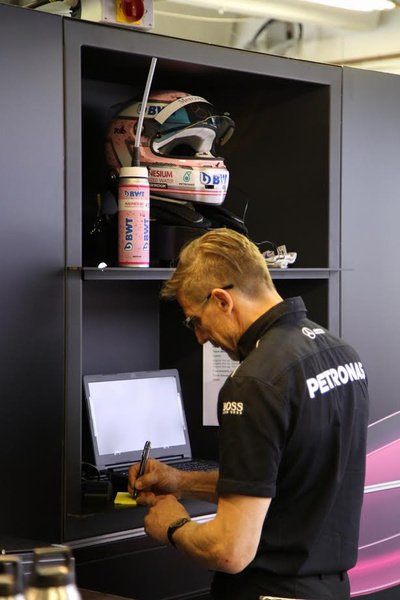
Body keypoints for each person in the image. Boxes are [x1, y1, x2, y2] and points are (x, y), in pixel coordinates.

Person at [128, 228, 369, 600]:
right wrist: (180, 481)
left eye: (195, 321)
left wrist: (173, 525)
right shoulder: (339, 352)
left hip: (269, 590)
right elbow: (283, 479)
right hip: (330, 589)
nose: (200, 337)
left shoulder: (253, 382)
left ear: (222, 300)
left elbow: (230, 550)